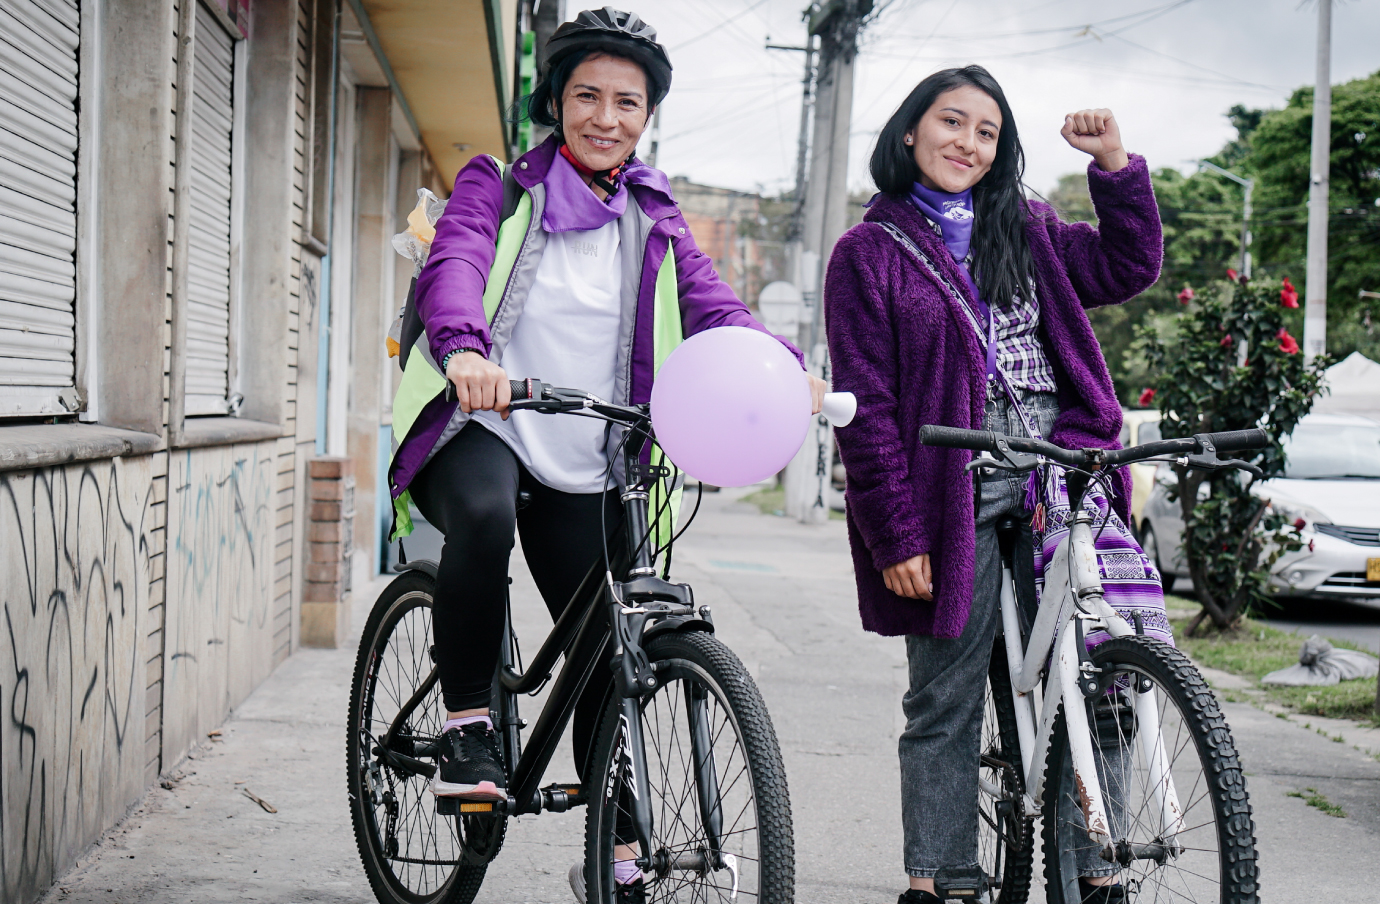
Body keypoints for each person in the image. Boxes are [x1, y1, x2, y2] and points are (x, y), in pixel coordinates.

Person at [382, 2, 825, 881]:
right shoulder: (498, 185)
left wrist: (783, 365)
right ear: (557, 100)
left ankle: (618, 848)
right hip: (487, 419)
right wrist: (467, 349)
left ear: (647, 117)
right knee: (481, 516)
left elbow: (714, 307)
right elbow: (458, 260)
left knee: (604, 642)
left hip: (596, 446)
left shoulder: (655, 217)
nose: (606, 118)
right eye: (587, 95)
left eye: (628, 103)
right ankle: (470, 726)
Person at [824, 65, 1171, 904]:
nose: (967, 144)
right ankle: (938, 878)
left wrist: (1116, 168)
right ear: (911, 131)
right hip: (952, 477)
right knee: (945, 692)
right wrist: (894, 534)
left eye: (986, 132)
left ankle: (1097, 869)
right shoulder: (869, 253)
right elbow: (864, 409)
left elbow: (1129, 266)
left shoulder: (1027, 225)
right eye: (952, 123)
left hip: (1062, 466)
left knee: (1098, 678)